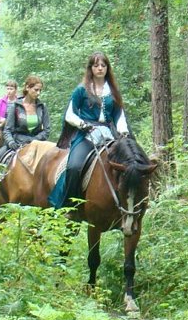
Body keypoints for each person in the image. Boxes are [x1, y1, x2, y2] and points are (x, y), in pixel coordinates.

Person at [50, 52, 129, 209]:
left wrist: (123, 130)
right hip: (86, 135)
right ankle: (69, 206)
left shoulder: (113, 91)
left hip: (108, 135)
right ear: (91, 68)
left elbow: (119, 114)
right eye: (96, 65)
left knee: (127, 165)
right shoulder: (81, 90)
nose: (100, 68)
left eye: (103, 65)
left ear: (107, 68)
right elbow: (70, 114)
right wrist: (82, 124)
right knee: (74, 167)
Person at [0, 75, 51, 164]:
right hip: (17, 143)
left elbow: (47, 130)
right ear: (27, 88)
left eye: (40, 90)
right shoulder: (15, 106)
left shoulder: (42, 107)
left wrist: (34, 140)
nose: (38, 93)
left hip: (37, 143)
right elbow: (7, 130)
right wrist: (11, 142)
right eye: (36, 90)